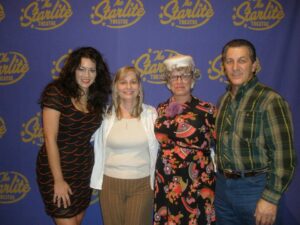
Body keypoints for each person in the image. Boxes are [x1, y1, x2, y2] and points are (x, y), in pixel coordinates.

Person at [215, 39, 297, 225]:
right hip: (222, 189)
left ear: (255, 65)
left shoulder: (270, 100)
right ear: (224, 66)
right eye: (229, 61)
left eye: (242, 60)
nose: (235, 67)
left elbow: (284, 157)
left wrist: (270, 198)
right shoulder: (223, 101)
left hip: (255, 189)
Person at [36, 47, 111, 225]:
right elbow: (50, 139)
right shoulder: (57, 92)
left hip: (83, 170)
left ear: (97, 73)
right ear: (73, 70)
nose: (87, 75)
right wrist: (58, 180)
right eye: (81, 69)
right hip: (56, 169)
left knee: (77, 220)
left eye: (92, 70)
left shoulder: (96, 99)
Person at [90, 66, 159, 225]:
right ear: (116, 87)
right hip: (110, 185)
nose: (128, 87)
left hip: (142, 186)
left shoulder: (151, 114)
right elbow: (81, 136)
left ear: (139, 87)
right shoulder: (104, 115)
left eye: (133, 82)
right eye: (123, 82)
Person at [153, 54, 217, 225]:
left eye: (185, 75)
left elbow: (222, 144)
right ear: (168, 81)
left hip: (197, 178)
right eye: (174, 76)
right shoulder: (160, 109)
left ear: (192, 79)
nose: (179, 80)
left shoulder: (208, 110)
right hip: (166, 179)